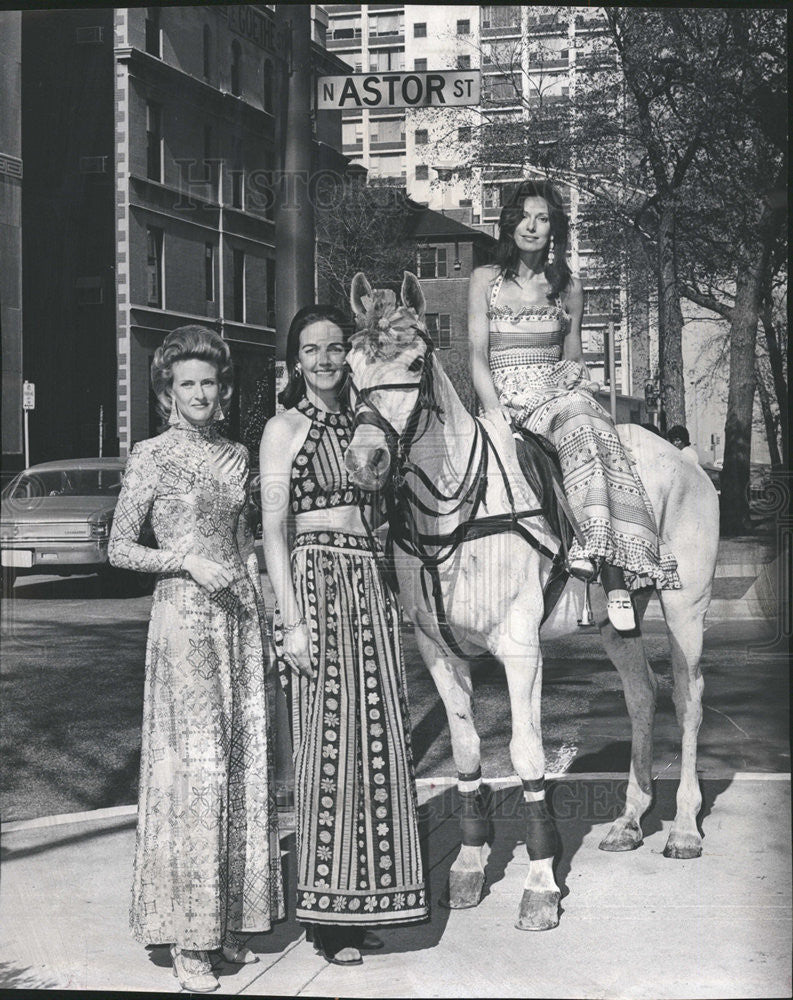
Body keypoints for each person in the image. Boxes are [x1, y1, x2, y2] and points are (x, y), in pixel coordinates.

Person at [109, 326, 284, 993]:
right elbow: (120, 547)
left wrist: (266, 609)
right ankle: (188, 937)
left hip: (237, 623)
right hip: (182, 624)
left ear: (225, 387)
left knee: (241, 767)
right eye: (187, 383)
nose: (201, 393)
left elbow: (245, 544)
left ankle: (228, 920)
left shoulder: (239, 455)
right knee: (198, 771)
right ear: (167, 392)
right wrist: (185, 560)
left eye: (210, 381)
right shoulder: (150, 457)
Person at [259, 305, 427, 966]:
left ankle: (368, 904)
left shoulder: (369, 423)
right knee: (326, 750)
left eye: (333, 348)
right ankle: (326, 919)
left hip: (370, 582)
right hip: (316, 581)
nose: (325, 360)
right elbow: (275, 531)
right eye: (312, 349)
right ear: (295, 359)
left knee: (379, 746)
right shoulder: (283, 428)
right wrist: (290, 618)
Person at [468, 179, 681, 631]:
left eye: (542, 218)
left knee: (588, 421)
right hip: (503, 398)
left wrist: (574, 389)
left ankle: (610, 569)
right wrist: (494, 411)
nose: (531, 225)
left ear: (553, 230)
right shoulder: (484, 280)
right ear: (509, 224)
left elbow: (573, 357)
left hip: (554, 393)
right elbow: (476, 357)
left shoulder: (568, 286)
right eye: (523, 216)